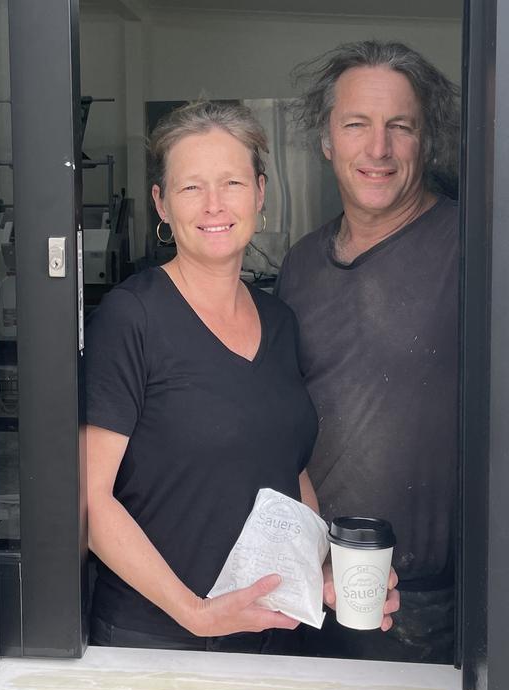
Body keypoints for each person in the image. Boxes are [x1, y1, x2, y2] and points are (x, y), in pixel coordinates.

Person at [84, 101, 396, 652]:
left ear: (259, 193)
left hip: (268, 631)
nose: (213, 205)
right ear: (161, 202)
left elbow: (287, 471)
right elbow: (90, 500)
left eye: (231, 182)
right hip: (157, 640)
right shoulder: (131, 317)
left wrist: (320, 569)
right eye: (190, 188)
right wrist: (196, 613)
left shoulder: (278, 321)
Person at [276, 41, 462, 664]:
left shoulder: (471, 249)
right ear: (327, 140)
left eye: (399, 127)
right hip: (314, 586)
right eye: (356, 125)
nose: (377, 149)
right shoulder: (300, 264)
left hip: (432, 603)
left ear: (424, 141)